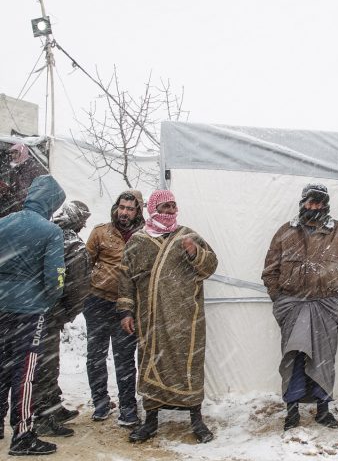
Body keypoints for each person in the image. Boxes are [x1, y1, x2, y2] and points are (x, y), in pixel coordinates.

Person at [117, 189, 218, 443]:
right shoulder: (139, 241)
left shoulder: (188, 236)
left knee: (188, 365)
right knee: (151, 361)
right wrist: (127, 311)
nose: (171, 210)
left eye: (173, 206)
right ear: (153, 210)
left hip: (186, 316)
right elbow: (126, 277)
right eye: (165, 207)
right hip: (151, 317)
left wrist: (195, 252)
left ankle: (197, 419)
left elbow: (211, 266)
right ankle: (150, 421)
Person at [262, 183, 338, 430]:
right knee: (294, 358)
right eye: (310, 202)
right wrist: (280, 299)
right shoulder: (286, 231)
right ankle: (292, 411)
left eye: (319, 203)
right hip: (293, 306)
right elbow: (270, 270)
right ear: (302, 203)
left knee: (324, 360)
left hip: (326, 306)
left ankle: (323, 410)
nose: (314, 207)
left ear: (326, 205)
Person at [0, 175, 65, 455]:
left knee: (1, 368)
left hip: (1, 307)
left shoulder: (3, 223)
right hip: (29, 310)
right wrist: (48, 301)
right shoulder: (50, 231)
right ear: (51, 202)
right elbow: (56, 277)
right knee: (25, 372)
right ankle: (23, 433)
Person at [84, 190, 144, 425]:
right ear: (116, 208)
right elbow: (84, 265)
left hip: (126, 306)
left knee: (125, 358)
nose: (124, 212)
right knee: (96, 356)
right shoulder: (101, 232)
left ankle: (128, 407)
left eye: (130, 208)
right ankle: (100, 402)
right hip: (97, 301)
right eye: (122, 207)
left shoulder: (144, 236)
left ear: (137, 211)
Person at [34, 201, 92, 437]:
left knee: (42, 363)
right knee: (46, 365)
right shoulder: (74, 246)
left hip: (33, 309)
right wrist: (68, 312)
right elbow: (78, 286)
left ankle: (52, 407)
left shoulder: (43, 236)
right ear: (79, 221)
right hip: (52, 311)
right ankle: (42, 418)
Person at [0, 143, 48, 217]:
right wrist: (6, 189)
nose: (13, 155)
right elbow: (15, 187)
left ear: (23, 153)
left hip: (29, 204)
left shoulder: (33, 167)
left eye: (16, 152)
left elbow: (41, 186)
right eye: (12, 153)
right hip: (17, 204)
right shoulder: (15, 168)